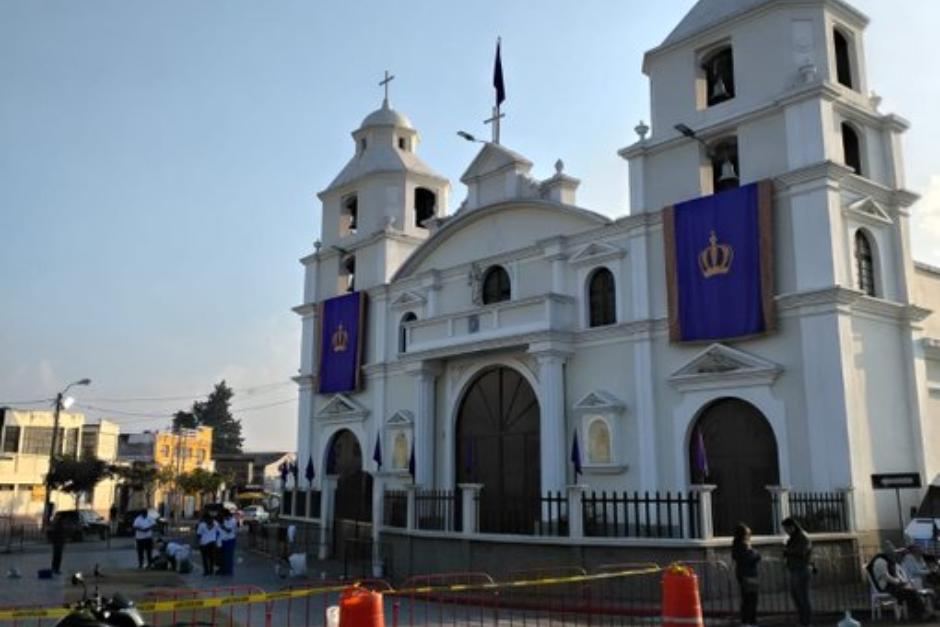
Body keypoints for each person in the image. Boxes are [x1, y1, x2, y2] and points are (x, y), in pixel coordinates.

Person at [867, 540, 930, 621]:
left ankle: (920, 613)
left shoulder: (889, 560)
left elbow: (896, 574)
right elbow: (885, 577)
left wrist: (902, 581)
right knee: (910, 592)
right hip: (886, 586)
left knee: (912, 590)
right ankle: (921, 614)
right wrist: (898, 582)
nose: (894, 555)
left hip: (893, 585)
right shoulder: (880, 561)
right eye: (892, 553)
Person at [781, 517, 813, 626]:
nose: (786, 531)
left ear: (792, 527)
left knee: (803, 597)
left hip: (801, 569)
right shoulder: (792, 538)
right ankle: (802, 621)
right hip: (794, 569)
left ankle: (806, 622)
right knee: (796, 597)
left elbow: (802, 551)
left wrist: (787, 551)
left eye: (786, 528)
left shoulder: (802, 537)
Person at [732, 523, 761, 627]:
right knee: (751, 599)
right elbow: (753, 557)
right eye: (748, 534)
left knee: (747, 598)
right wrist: (756, 553)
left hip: (743, 573)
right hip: (748, 574)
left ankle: (747, 621)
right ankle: (749, 621)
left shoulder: (737, 544)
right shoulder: (743, 545)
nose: (749, 536)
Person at [196, 512, 219, 576]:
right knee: (212, 558)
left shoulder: (202, 524)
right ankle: (211, 570)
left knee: (205, 558)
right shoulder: (215, 523)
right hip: (213, 543)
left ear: (204, 518)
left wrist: (198, 542)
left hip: (204, 543)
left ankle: (206, 571)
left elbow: (199, 534)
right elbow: (218, 532)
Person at [218, 509, 237, 576]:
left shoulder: (233, 520)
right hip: (224, 540)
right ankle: (224, 570)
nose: (224, 518)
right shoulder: (225, 520)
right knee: (223, 556)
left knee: (229, 556)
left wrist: (222, 526)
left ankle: (229, 571)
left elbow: (228, 530)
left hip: (230, 540)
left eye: (224, 516)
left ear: (227, 515)